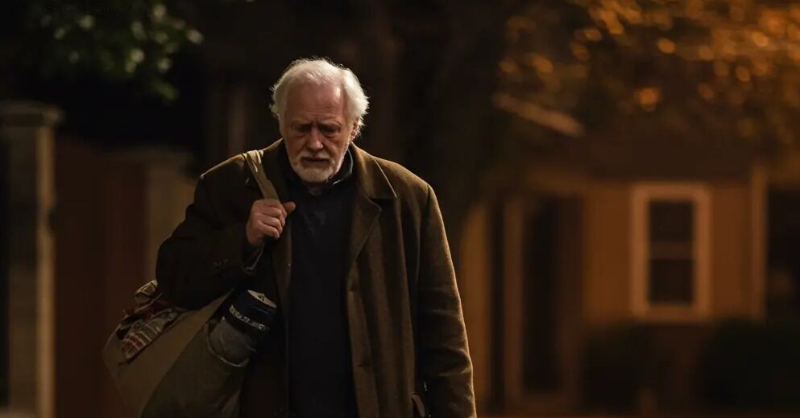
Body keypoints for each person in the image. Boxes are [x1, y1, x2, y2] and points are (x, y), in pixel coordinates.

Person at [156, 58, 476, 418]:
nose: (315, 143)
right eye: (301, 128)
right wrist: (242, 240)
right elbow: (174, 280)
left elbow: (444, 335)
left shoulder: (407, 198)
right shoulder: (229, 186)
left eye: (329, 129)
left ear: (353, 128)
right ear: (281, 122)